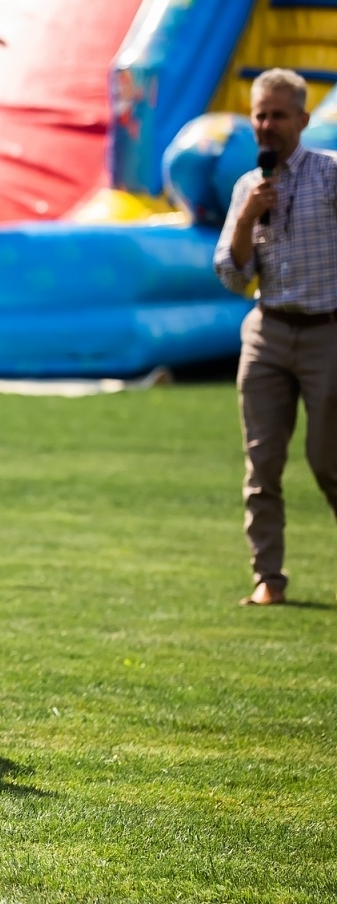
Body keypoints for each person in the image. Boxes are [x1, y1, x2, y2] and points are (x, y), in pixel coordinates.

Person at [213, 68, 337, 607]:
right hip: (268, 332)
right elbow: (232, 275)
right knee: (261, 465)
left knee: (328, 462)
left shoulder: (330, 176)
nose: (266, 125)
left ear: (303, 120)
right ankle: (268, 578)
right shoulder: (248, 187)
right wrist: (246, 218)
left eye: (277, 115)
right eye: (259, 115)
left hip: (327, 332)